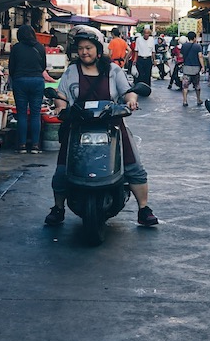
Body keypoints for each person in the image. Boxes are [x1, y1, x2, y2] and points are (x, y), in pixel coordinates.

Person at [45, 25, 159, 228]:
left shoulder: (113, 70)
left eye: (88, 48)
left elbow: (127, 91)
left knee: (134, 168)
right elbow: (61, 95)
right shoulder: (72, 71)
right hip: (78, 127)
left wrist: (131, 101)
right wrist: (60, 106)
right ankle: (58, 208)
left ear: (98, 50)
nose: (84, 52)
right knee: (62, 170)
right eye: (81, 48)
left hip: (112, 126)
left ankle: (144, 209)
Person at [9, 24, 48, 155]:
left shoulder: (16, 48)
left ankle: (22, 145)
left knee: (22, 114)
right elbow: (43, 66)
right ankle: (35, 145)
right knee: (35, 114)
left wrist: (16, 77)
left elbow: (11, 67)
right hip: (37, 81)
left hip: (20, 81)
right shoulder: (40, 47)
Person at [179, 31, 204, 108]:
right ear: (194, 38)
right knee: (197, 85)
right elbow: (200, 56)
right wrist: (203, 66)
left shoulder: (184, 46)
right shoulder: (198, 46)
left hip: (186, 68)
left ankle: (185, 101)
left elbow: (181, 55)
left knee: (185, 86)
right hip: (196, 68)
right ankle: (198, 99)